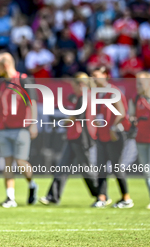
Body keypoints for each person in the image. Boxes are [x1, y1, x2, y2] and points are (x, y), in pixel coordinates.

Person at [39, 72, 103, 206]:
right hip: (75, 136)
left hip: (82, 137)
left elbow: (76, 116)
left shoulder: (84, 97)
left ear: (80, 84)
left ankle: (101, 195)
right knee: (62, 167)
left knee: (86, 169)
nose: (72, 88)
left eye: (74, 85)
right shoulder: (85, 96)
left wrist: (61, 122)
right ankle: (53, 197)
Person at [0, 52, 38, 208]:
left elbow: (32, 103)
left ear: (5, 65)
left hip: (22, 128)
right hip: (4, 128)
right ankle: (10, 197)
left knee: (21, 161)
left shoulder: (24, 79)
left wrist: (33, 124)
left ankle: (32, 184)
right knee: (7, 163)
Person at [91, 67, 133, 208]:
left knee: (116, 167)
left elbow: (121, 113)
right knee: (101, 166)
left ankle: (126, 198)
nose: (94, 79)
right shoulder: (97, 93)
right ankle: (101, 197)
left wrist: (113, 128)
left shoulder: (113, 91)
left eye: (96, 75)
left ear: (105, 75)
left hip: (114, 134)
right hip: (102, 134)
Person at [132, 72, 150, 209]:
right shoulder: (137, 98)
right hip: (141, 140)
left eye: (140, 83)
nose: (137, 86)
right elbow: (131, 116)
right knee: (147, 171)